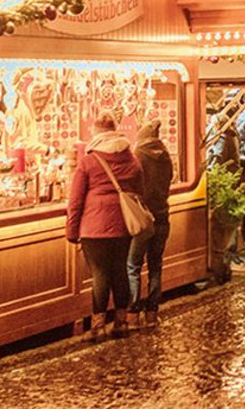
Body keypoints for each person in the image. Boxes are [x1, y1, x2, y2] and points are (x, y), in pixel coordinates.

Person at [66, 112, 144, 338]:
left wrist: (72, 231)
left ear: (97, 133)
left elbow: (75, 200)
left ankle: (98, 325)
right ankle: (121, 322)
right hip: (123, 225)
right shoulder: (131, 159)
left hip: (94, 227)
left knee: (100, 274)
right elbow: (141, 191)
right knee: (120, 271)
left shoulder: (89, 161)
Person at [129, 120, 175, 325]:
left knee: (133, 265)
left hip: (143, 218)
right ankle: (152, 312)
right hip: (163, 215)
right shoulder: (166, 158)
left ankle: (132, 313)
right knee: (156, 265)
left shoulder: (137, 157)